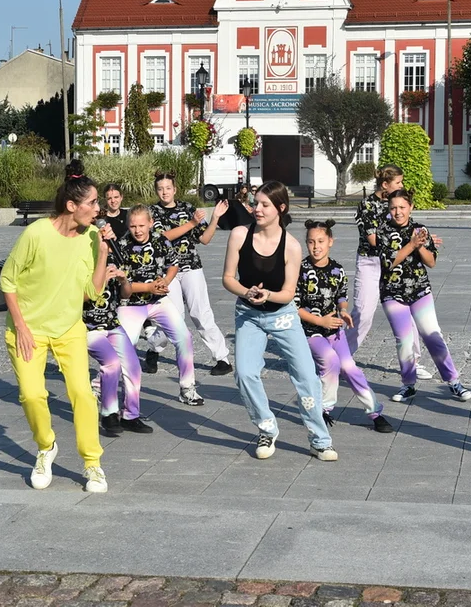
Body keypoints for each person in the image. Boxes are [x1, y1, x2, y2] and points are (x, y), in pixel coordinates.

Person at [0, 160, 112, 493]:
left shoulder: (92, 236)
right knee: (32, 395)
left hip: (68, 330)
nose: (97, 208)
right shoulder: (36, 233)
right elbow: (8, 280)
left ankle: (93, 464)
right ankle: (46, 446)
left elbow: (93, 292)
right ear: (71, 205)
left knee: (82, 394)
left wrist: (103, 252)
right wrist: (20, 326)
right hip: (28, 329)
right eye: (92, 202)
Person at [222, 181, 337, 461]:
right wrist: (247, 291)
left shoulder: (292, 247)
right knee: (245, 373)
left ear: (280, 208)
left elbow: (287, 294)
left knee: (307, 377)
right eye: (255, 203)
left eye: (264, 205)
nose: (256, 209)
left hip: (282, 315)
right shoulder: (239, 234)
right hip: (248, 315)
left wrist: (267, 295)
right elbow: (227, 278)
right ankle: (266, 428)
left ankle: (319, 440)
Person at [296, 219, 392, 433]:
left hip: (334, 330)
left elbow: (341, 297)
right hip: (310, 333)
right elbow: (295, 307)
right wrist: (320, 321)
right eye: (311, 242)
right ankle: (324, 409)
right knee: (330, 361)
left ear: (331, 241)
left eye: (321, 241)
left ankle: (374, 411)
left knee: (350, 367)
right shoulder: (299, 270)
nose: (316, 246)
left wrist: (343, 311)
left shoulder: (337, 269)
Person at [378, 190, 471, 404]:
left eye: (402, 207)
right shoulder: (383, 230)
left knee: (433, 336)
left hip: (420, 290)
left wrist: (420, 246)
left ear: (410, 207)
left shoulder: (420, 230)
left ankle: (454, 381)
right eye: (393, 208)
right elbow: (388, 263)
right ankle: (408, 384)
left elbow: (431, 262)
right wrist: (410, 245)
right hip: (393, 293)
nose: (397, 212)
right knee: (404, 341)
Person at [347, 165, 433, 380]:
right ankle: (341, 357)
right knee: (364, 312)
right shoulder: (367, 206)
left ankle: (413, 362)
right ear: (384, 185)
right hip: (372, 262)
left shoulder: (396, 203)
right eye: (398, 182)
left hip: (400, 263)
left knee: (407, 309)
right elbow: (374, 240)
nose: (401, 186)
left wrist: (423, 241)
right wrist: (409, 244)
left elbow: (408, 230)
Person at [145, 172, 233, 376]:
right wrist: (192, 223)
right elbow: (163, 238)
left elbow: (204, 239)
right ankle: (153, 348)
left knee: (201, 313)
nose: (164, 192)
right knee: (173, 317)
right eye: (160, 188)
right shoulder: (153, 212)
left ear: (175, 189)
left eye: (168, 187)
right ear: (156, 191)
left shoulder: (187, 209)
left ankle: (222, 358)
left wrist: (215, 218)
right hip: (167, 271)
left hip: (191, 266)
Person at [116, 205, 204, 406]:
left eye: (141, 225)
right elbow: (124, 287)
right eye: (132, 226)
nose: (137, 231)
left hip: (158, 301)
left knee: (184, 337)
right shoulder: (122, 245)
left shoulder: (160, 239)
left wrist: (166, 281)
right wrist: (148, 287)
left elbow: (173, 263)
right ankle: (111, 388)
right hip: (131, 304)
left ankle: (187, 387)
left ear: (150, 223)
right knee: (123, 348)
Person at [83, 247, 152, 436]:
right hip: (88, 327)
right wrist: (102, 280)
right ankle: (109, 413)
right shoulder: (81, 262)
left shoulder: (116, 258)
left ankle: (131, 415)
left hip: (112, 325)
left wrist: (124, 281)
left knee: (133, 367)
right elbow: (81, 297)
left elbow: (126, 294)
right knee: (111, 363)